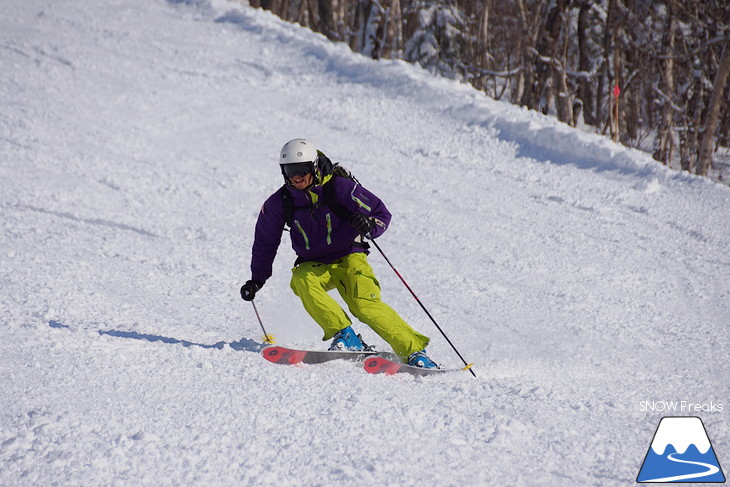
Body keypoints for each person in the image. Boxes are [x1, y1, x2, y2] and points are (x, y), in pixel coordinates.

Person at [240, 139, 438, 368]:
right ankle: (345, 335)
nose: (296, 176)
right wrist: (257, 279)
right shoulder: (280, 202)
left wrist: (368, 225)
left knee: (363, 305)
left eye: (301, 169)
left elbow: (381, 214)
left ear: (314, 166)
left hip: (350, 256)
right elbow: (265, 241)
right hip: (314, 264)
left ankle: (415, 352)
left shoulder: (339, 188)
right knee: (301, 279)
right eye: (289, 170)